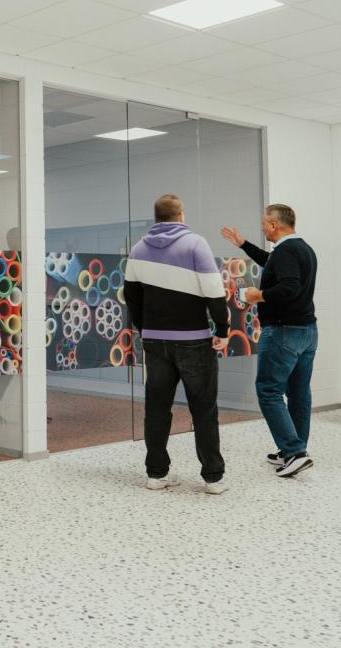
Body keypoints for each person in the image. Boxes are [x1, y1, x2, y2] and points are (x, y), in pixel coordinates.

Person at [124, 194, 230, 495]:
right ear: (181, 215)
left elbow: (131, 295)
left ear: (156, 217)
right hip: (194, 341)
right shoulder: (196, 244)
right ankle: (213, 478)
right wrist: (222, 329)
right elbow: (213, 291)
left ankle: (156, 474)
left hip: (155, 341)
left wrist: (144, 328)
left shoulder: (138, 248)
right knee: (204, 409)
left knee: (157, 409)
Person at [221, 204, 317, 479]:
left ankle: (294, 452)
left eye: (265, 224)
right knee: (299, 392)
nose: (262, 228)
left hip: (283, 331)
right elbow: (272, 264)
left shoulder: (286, 251)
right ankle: (295, 449)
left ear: (275, 225)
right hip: (306, 331)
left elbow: (289, 287)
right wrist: (243, 244)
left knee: (268, 390)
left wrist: (257, 296)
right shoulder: (302, 248)